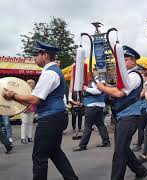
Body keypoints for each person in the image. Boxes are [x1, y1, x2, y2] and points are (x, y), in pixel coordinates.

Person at [2, 40, 78, 180]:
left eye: (36, 55)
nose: (34, 58)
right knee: (55, 152)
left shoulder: (49, 73)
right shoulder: (53, 71)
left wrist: (13, 95)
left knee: (39, 157)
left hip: (50, 118)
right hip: (56, 117)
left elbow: (35, 99)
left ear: (45, 55)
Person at [97, 45, 147, 180]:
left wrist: (102, 87)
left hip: (129, 117)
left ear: (133, 61)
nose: (122, 62)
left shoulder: (134, 76)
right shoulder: (125, 76)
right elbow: (114, 93)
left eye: (125, 60)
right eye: (122, 59)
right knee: (123, 148)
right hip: (123, 116)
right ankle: (140, 170)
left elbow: (119, 93)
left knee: (119, 151)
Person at [72, 68, 111, 151]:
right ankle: (106, 141)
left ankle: (82, 145)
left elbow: (98, 91)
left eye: (94, 70)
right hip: (96, 105)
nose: (92, 72)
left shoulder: (100, 79)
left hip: (93, 105)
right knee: (100, 124)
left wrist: (86, 88)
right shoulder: (96, 80)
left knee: (88, 126)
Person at [20, 79, 36, 144]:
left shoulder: (35, 91)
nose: (31, 84)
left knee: (30, 123)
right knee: (24, 123)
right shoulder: (23, 91)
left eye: (33, 83)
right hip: (24, 109)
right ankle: (23, 138)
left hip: (32, 108)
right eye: (30, 83)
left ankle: (30, 137)